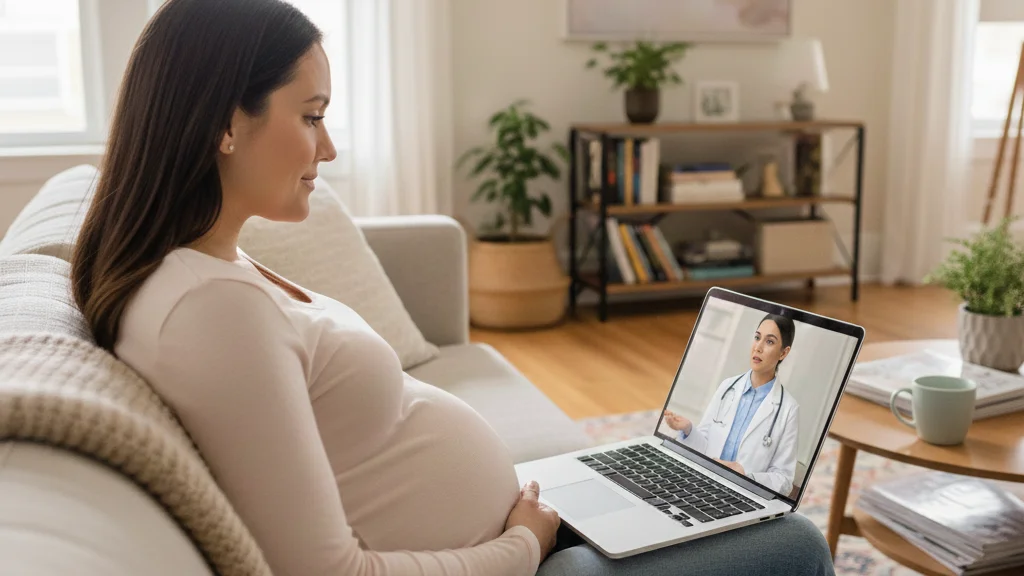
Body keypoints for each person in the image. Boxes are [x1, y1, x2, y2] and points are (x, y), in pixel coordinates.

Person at [69, 1, 833, 574]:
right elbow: (326, 573)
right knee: (794, 543)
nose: (328, 147)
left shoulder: (206, 267)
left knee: (717, 505)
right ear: (221, 126)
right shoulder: (210, 311)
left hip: (514, 533)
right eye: (310, 117)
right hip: (510, 564)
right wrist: (521, 545)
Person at [663, 314, 800, 495]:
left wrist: (746, 476)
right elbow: (705, 447)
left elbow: (784, 480)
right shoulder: (728, 386)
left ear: (784, 352)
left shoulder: (789, 409)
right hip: (704, 482)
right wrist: (688, 429)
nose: (758, 347)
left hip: (743, 494)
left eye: (769, 342)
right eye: (757, 337)